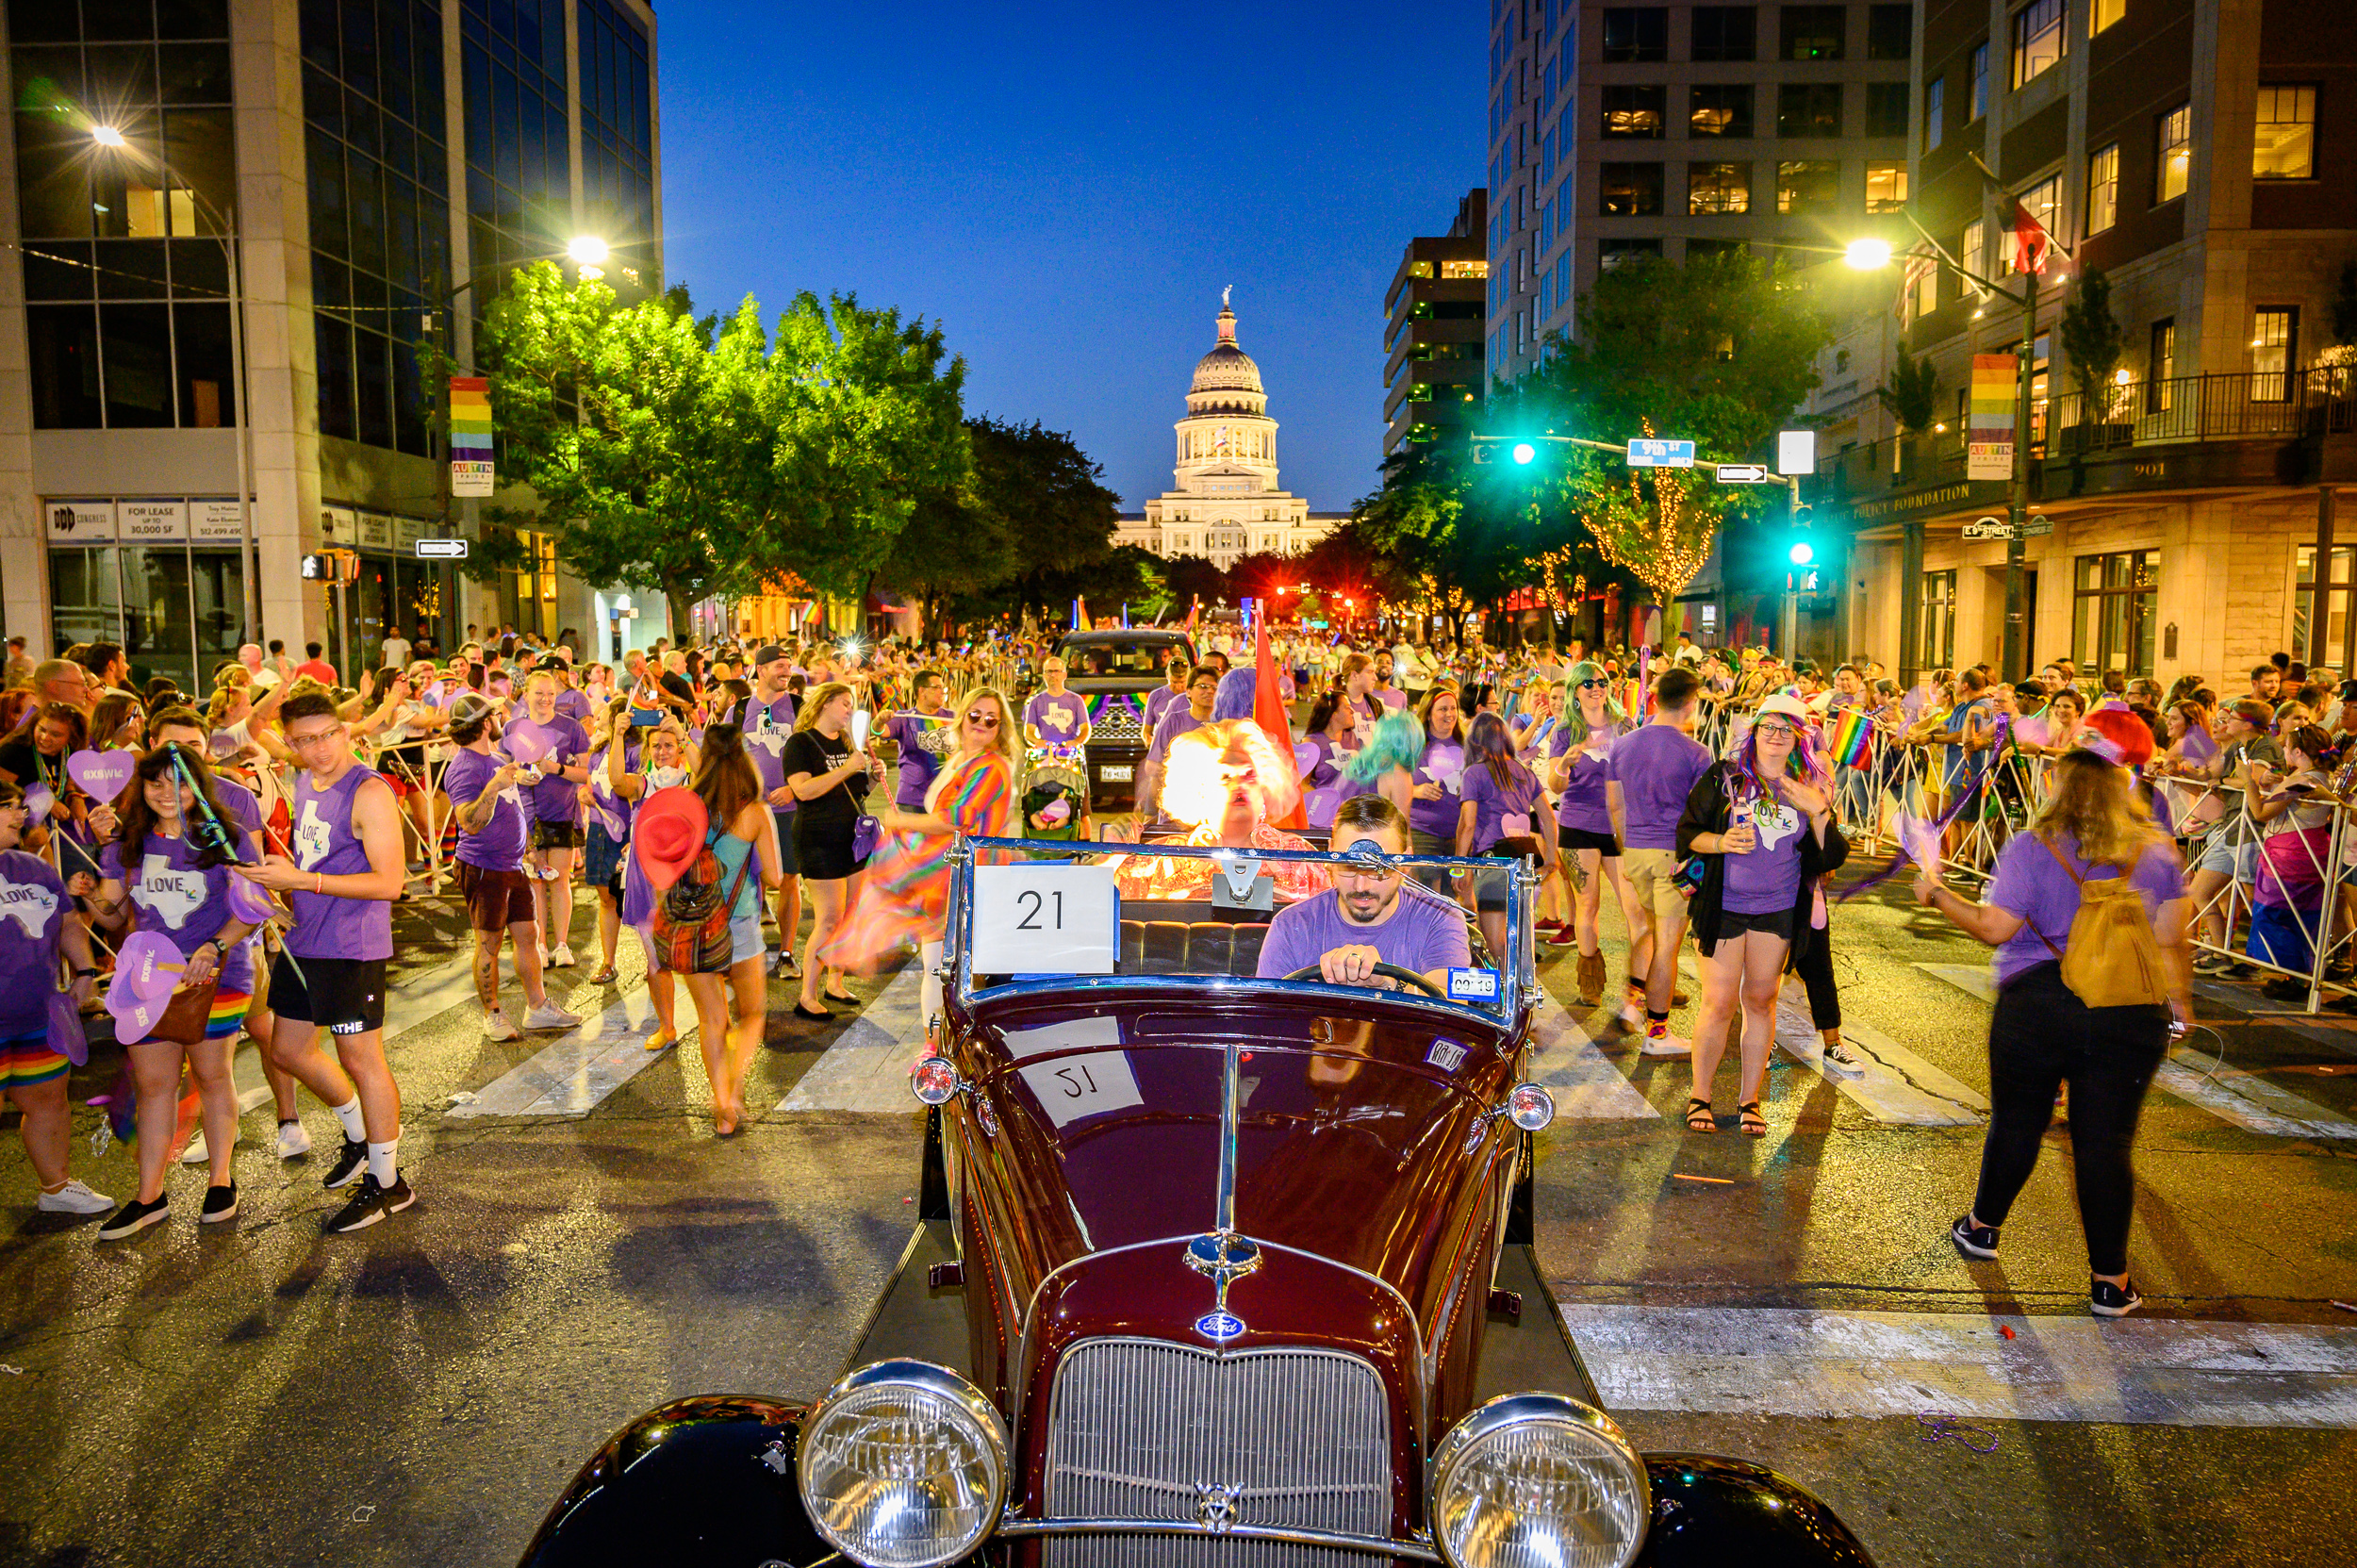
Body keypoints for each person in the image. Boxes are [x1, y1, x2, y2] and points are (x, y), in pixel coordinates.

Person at [1915, 721, 2191, 1318]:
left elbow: (1995, 928)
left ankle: (1983, 1229)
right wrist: (2180, 1009)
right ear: (2123, 787)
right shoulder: (2156, 849)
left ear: (2057, 783)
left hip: (2037, 1003)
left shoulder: (2031, 846)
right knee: (2107, 1144)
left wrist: (1935, 892)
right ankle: (2110, 1283)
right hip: (2127, 1009)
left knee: (2018, 1121)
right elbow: (2171, 940)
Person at [230, 691, 414, 1233]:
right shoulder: (307, 778)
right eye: (305, 740)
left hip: (351, 945)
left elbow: (390, 883)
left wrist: (301, 880)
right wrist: (280, 886)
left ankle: (388, 1183)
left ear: (347, 731)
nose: (320, 748)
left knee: (362, 1059)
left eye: (329, 734)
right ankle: (359, 1139)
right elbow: (315, 854)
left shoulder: (369, 791)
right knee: (288, 1049)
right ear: (289, 744)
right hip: (304, 936)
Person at [83, 745, 265, 1236]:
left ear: (198, 785)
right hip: (147, 978)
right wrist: (91, 891)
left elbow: (255, 903)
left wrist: (213, 945)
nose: (168, 793)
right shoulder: (130, 842)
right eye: (156, 783)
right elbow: (114, 917)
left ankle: (221, 1180)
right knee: (154, 1086)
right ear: (141, 788)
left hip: (216, 978)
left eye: (179, 782)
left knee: (211, 1076)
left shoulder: (226, 838)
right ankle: (149, 1197)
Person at [1674, 693, 1847, 1136]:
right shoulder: (1725, 777)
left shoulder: (1807, 787)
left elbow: (1830, 856)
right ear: (1753, 734)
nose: (1775, 736)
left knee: (1760, 1000)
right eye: (1767, 727)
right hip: (1724, 908)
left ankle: (1750, 1100)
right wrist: (1721, 843)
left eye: (1785, 729)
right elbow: (1688, 832)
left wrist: (1820, 811)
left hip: (1778, 910)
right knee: (1718, 1003)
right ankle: (1701, 1096)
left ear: (1797, 740)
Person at [826, 687, 1017, 1031]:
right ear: (962, 717)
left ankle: (958, 1044)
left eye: (991, 719)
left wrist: (900, 822)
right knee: (937, 969)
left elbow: (954, 818)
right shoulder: (961, 759)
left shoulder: (991, 767)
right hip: (949, 876)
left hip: (973, 881)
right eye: (975, 715)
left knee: (959, 973)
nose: (982, 724)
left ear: (1000, 728)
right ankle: (934, 1043)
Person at [442, 693, 583, 1041]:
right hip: (483, 867)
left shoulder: (495, 758)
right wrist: (493, 785)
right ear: (486, 723)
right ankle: (492, 1014)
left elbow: (513, 808)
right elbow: (469, 823)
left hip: (512, 864)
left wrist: (530, 852)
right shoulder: (464, 767)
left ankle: (537, 1007)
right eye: (494, 714)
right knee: (489, 943)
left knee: (529, 935)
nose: (500, 717)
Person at [0, 781, 111, 1219]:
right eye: (8, 808)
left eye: (19, 808)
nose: (20, 815)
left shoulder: (33, 866)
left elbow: (67, 923)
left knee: (48, 1099)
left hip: (38, 1011)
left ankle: (56, 1188)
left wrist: (85, 972)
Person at [669, 725, 783, 1136]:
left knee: (711, 1019)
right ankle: (734, 1091)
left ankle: (721, 1104)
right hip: (739, 924)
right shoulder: (753, 812)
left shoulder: (685, 806)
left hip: (692, 926)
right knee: (752, 1013)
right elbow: (773, 875)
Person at [1256, 795, 1471, 989]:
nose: (1361, 886)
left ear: (1406, 861)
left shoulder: (1440, 918)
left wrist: (1388, 982)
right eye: (1349, 866)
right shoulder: (1291, 925)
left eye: (1380, 869)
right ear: (1330, 855)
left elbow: (1454, 1002)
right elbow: (1265, 1014)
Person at [1607, 666, 1713, 1054]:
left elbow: (1614, 804)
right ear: (1690, 702)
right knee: (1667, 945)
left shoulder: (1624, 744)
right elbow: (1703, 812)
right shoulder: (1696, 752)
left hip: (1634, 849)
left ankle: (1633, 1005)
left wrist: (1625, 844)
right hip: (1675, 855)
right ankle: (1657, 1034)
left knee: (1649, 932)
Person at [782, 682, 877, 1019]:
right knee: (829, 919)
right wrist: (847, 768)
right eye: (845, 704)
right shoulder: (800, 743)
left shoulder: (849, 742)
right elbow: (804, 791)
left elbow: (857, 790)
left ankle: (835, 982)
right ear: (823, 704)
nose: (850, 710)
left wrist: (871, 776)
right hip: (818, 839)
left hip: (852, 838)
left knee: (850, 916)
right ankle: (807, 995)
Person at [1547, 662, 1634, 1007]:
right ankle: (1590, 984)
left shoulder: (1624, 725)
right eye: (1588, 683)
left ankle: (1651, 981)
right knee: (1588, 905)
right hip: (1579, 823)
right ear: (1575, 691)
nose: (1596, 688)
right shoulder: (1566, 731)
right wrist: (1565, 764)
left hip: (1619, 826)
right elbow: (1555, 786)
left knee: (1637, 907)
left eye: (1602, 681)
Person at [507, 669, 593, 969]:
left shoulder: (571, 728)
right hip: (526, 816)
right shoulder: (513, 727)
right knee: (534, 881)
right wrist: (519, 774)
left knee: (559, 881)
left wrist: (555, 769)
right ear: (526, 694)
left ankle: (562, 944)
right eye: (539, 693)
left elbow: (585, 773)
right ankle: (540, 944)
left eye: (551, 694)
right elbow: (503, 770)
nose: (545, 699)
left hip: (561, 812)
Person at [1456, 711, 1558, 957]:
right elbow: (1549, 819)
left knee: (1494, 942)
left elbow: (1468, 824)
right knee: (1521, 939)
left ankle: (1503, 992)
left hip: (1493, 865)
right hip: (1524, 861)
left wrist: (1460, 867)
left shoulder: (1474, 774)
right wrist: (1552, 859)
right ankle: (1523, 990)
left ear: (1476, 742)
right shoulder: (1525, 773)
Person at [736, 645, 804, 979]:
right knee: (750, 880)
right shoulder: (738, 709)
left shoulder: (800, 707)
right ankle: (749, 952)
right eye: (779, 666)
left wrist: (794, 787)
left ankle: (788, 953)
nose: (786, 672)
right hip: (750, 811)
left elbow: (814, 754)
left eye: (789, 667)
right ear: (760, 669)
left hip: (790, 808)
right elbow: (723, 754)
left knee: (790, 879)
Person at [1022, 657, 1091, 751]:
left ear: (1065, 675)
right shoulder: (1036, 702)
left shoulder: (1076, 700)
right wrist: (1037, 741)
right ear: (1044, 676)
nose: (1053, 675)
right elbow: (1029, 731)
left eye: (1057, 671)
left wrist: (1076, 742)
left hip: (1070, 755)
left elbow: (1085, 729)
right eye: (1049, 672)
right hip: (1046, 754)